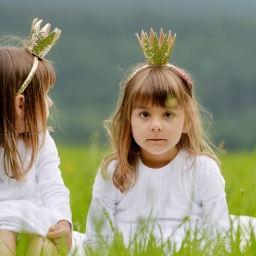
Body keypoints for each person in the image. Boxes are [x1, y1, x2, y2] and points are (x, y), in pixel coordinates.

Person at [83, 28, 230, 253]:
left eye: (168, 114)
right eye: (144, 114)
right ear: (128, 120)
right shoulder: (115, 172)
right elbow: (97, 238)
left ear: (187, 121)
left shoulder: (203, 169)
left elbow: (220, 237)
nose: (156, 125)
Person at [0, 18, 72, 255]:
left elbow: (53, 186)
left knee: (41, 247)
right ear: (21, 104)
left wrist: (63, 222)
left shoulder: (41, 143)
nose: (50, 102)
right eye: (45, 95)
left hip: (33, 220)